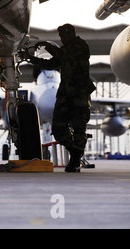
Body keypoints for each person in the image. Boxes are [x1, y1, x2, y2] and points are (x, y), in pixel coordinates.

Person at [27, 23, 96, 172]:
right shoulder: (63, 52)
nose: (62, 39)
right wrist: (30, 59)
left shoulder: (80, 46)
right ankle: (75, 153)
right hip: (65, 93)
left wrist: (47, 46)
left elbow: (64, 54)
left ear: (70, 34)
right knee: (58, 128)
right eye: (61, 37)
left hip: (79, 93)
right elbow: (52, 64)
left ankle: (75, 160)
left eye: (64, 36)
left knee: (79, 127)